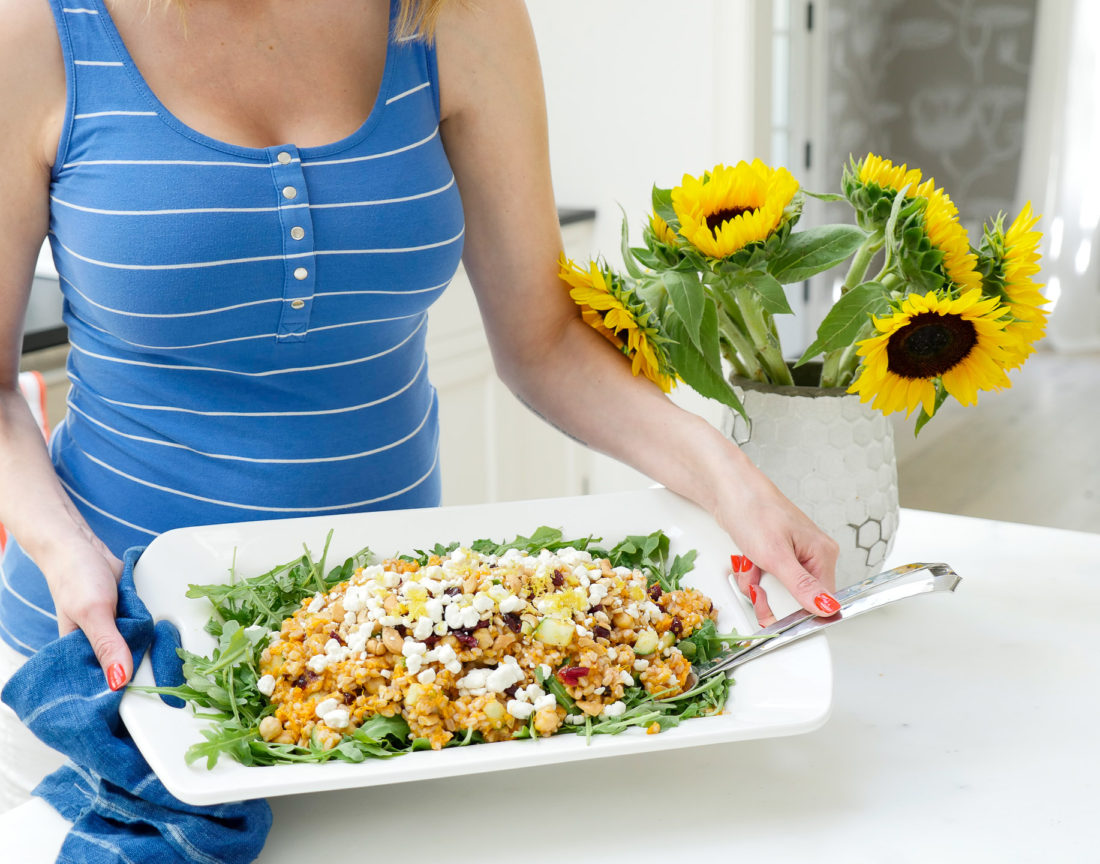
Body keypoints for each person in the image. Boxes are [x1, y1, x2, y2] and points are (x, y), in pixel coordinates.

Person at [0, 0, 839, 810]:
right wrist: (65, 551)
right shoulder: (41, 30)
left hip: (398, 676)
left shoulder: (451, 14)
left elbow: (543, 342)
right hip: (116, 652)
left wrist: (733, 484)